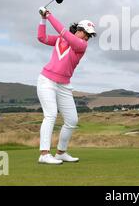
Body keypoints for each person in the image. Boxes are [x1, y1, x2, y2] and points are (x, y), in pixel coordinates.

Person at [36, 9, 96, 164]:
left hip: (64, 85)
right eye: (85, 33)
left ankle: (61, 153)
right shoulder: (59, 40)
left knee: (72, 120)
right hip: (47, 80)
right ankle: (44, 154)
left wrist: (49, 16)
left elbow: (63, 32)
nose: (87, 37)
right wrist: (43, 19)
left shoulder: (81, 46)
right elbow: (41, 37)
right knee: (50, 115)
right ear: (78, 30)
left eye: (89, 36)